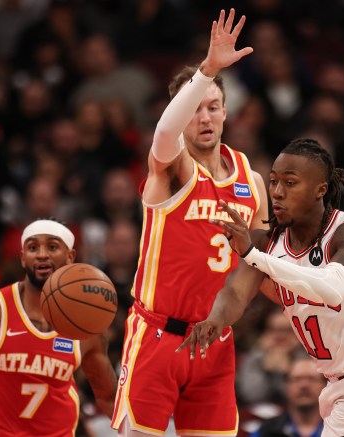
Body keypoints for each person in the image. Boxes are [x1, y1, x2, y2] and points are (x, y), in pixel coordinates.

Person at [179, 137, 344, 436]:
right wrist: (215, 319)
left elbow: (334, 289)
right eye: (274, 182)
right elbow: (236, 292)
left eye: (290, 183)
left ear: (320, 189)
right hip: (342, 383)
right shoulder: (268, 243)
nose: (278, 193)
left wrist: (255, 257)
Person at [111, 9, 269, 436]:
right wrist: (208, 69)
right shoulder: (171, 168)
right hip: (156, 337)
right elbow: (165, 133)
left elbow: (264, 266)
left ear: (225, 112)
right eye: (195, 109)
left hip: (215, 344)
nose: (204, 117)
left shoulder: (251, 180)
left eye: (213, 107)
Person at [0, 219, 118, 436]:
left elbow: (109, 399)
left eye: (52, 247)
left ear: (70, 257)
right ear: (23, 258)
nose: (42, 254)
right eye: (33, 248)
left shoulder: (86, 325)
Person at [250, 355, 326, 437]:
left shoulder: (339, 429)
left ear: (325, 385)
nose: (304, 385)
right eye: (297, 379)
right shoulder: (265, 431)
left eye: (312, 379)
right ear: (286, 386)